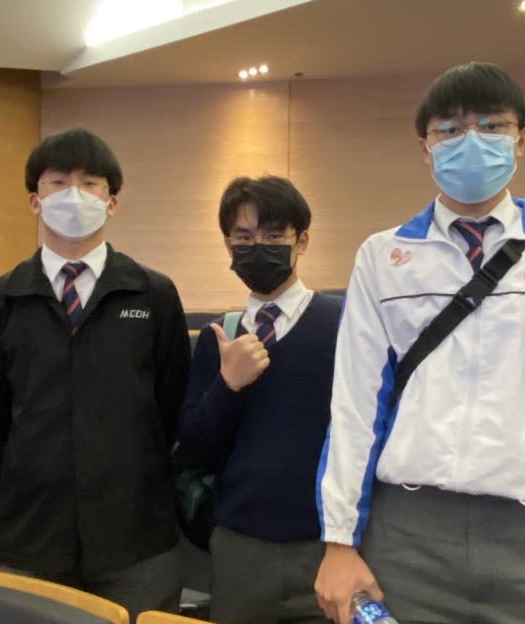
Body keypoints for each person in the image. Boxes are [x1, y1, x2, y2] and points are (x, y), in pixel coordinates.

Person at [314, 62, 525, 624]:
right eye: (449, 129)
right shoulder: (382, 256)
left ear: (521, 140)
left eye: (492, 125)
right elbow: (354, 409)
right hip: (408, 538)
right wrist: (339, 542)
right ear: (425, 148)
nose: (471, 140)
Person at [0, 128, 191, 617]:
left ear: (111, 202)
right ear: (35, 200)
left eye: (90, 183)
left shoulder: (152, 294)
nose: (75, 195)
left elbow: (170, 405)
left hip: (136, 536)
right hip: (33, 535)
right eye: (58, 182)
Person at [178, 176, 340, 624]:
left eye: (273, 237)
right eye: (244, 238)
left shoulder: (343, 324)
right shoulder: (219, 336)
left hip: (327, 546)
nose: (257, 248)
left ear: (301, 241)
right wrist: (227, 385)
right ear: (228, 245)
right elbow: (194, 450)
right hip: (240, 547)